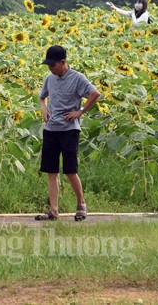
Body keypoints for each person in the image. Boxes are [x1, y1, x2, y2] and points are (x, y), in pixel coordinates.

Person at [36, 45, 100, 222]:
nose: (50, 69)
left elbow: (95, 93)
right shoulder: (50, 78)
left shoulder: (77, 78)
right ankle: (53, 210)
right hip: (51, 129)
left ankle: (81, 204)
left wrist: (80, 111)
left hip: (69, 130)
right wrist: (44, 110)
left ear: (63, 62)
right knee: (51, 171)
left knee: (70, 170)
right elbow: (42, 97)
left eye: (52, 65)